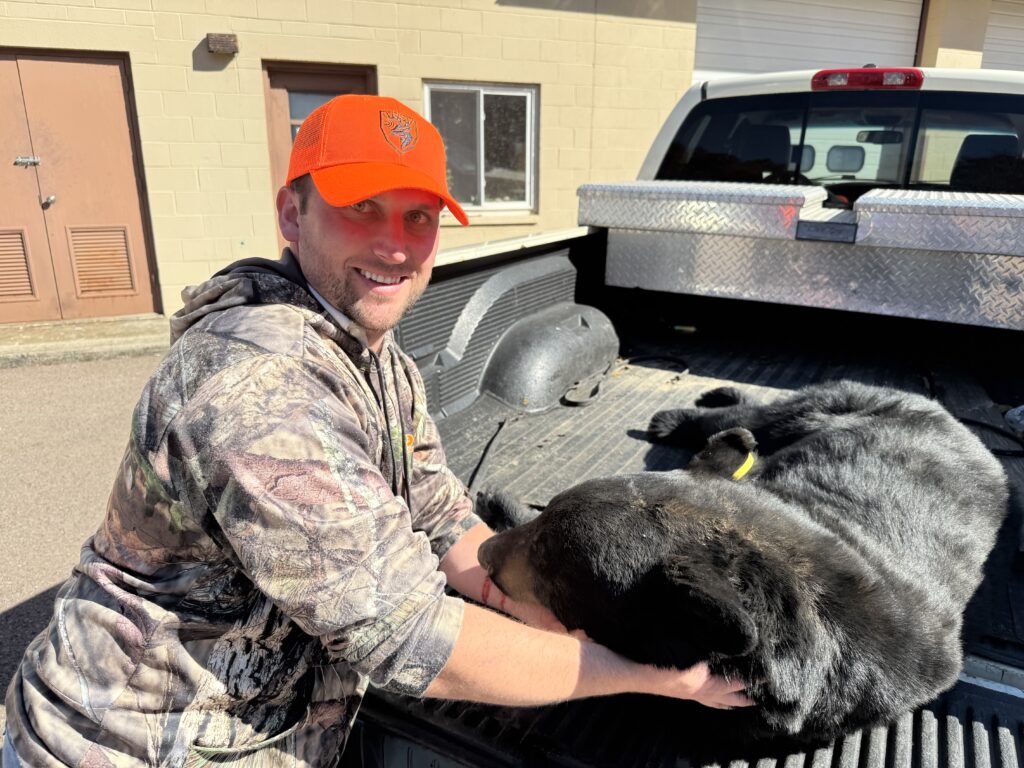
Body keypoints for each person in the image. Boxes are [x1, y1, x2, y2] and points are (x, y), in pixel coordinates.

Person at [2, 94, 750, 766]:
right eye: (363, 206)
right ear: (292, 216)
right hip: (129, 746)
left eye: (417, 216)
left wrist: (517, 603)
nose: (396, 244)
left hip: (258, 730)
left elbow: (435, 505)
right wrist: (650, 677)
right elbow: (411, 640)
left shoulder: (371, 354)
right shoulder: (257, 394)